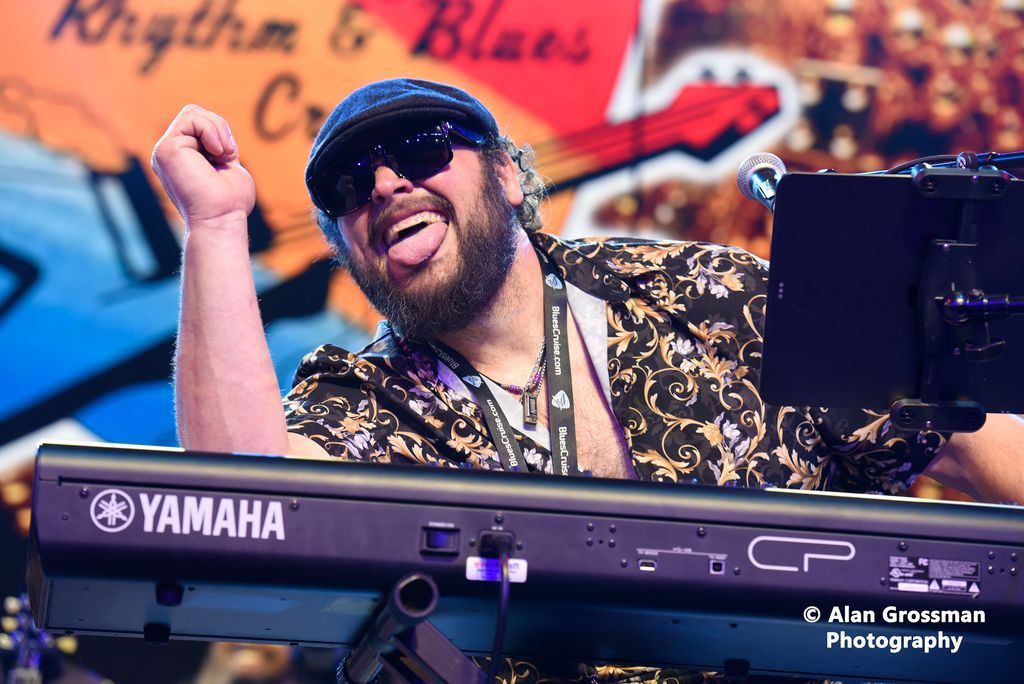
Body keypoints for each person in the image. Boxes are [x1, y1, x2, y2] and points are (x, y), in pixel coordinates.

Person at [152, 78, 1022, 504]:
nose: (382, 185)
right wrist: (217, 226)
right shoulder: (365, 401)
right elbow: (244, 498)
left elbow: (968, 442)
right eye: (349, 186)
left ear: (507, 175)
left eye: (420, 150)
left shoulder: (716, 299)